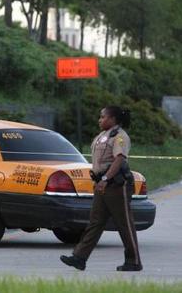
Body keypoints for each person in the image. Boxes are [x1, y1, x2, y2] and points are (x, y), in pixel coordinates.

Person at [60, 106, 142, 272]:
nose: (100, 120)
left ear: (113, 119)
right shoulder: (102, 136)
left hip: (117, 185)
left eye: (103, 117)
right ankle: (79, 258)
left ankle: (134, 261)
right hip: (101, 185)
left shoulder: (120, 136)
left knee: (124, 224)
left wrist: (106, 178)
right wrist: (101, 180)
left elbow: (119, 159)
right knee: (95, 222)